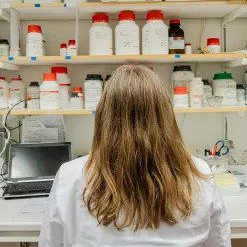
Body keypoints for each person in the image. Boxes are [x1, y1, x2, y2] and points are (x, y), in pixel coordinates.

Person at [39, 65, 231, 247]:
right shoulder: (198, 173)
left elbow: (50, 242)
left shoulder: (70, 176)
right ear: (166, 117)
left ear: (104, 118)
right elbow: (220, 242)